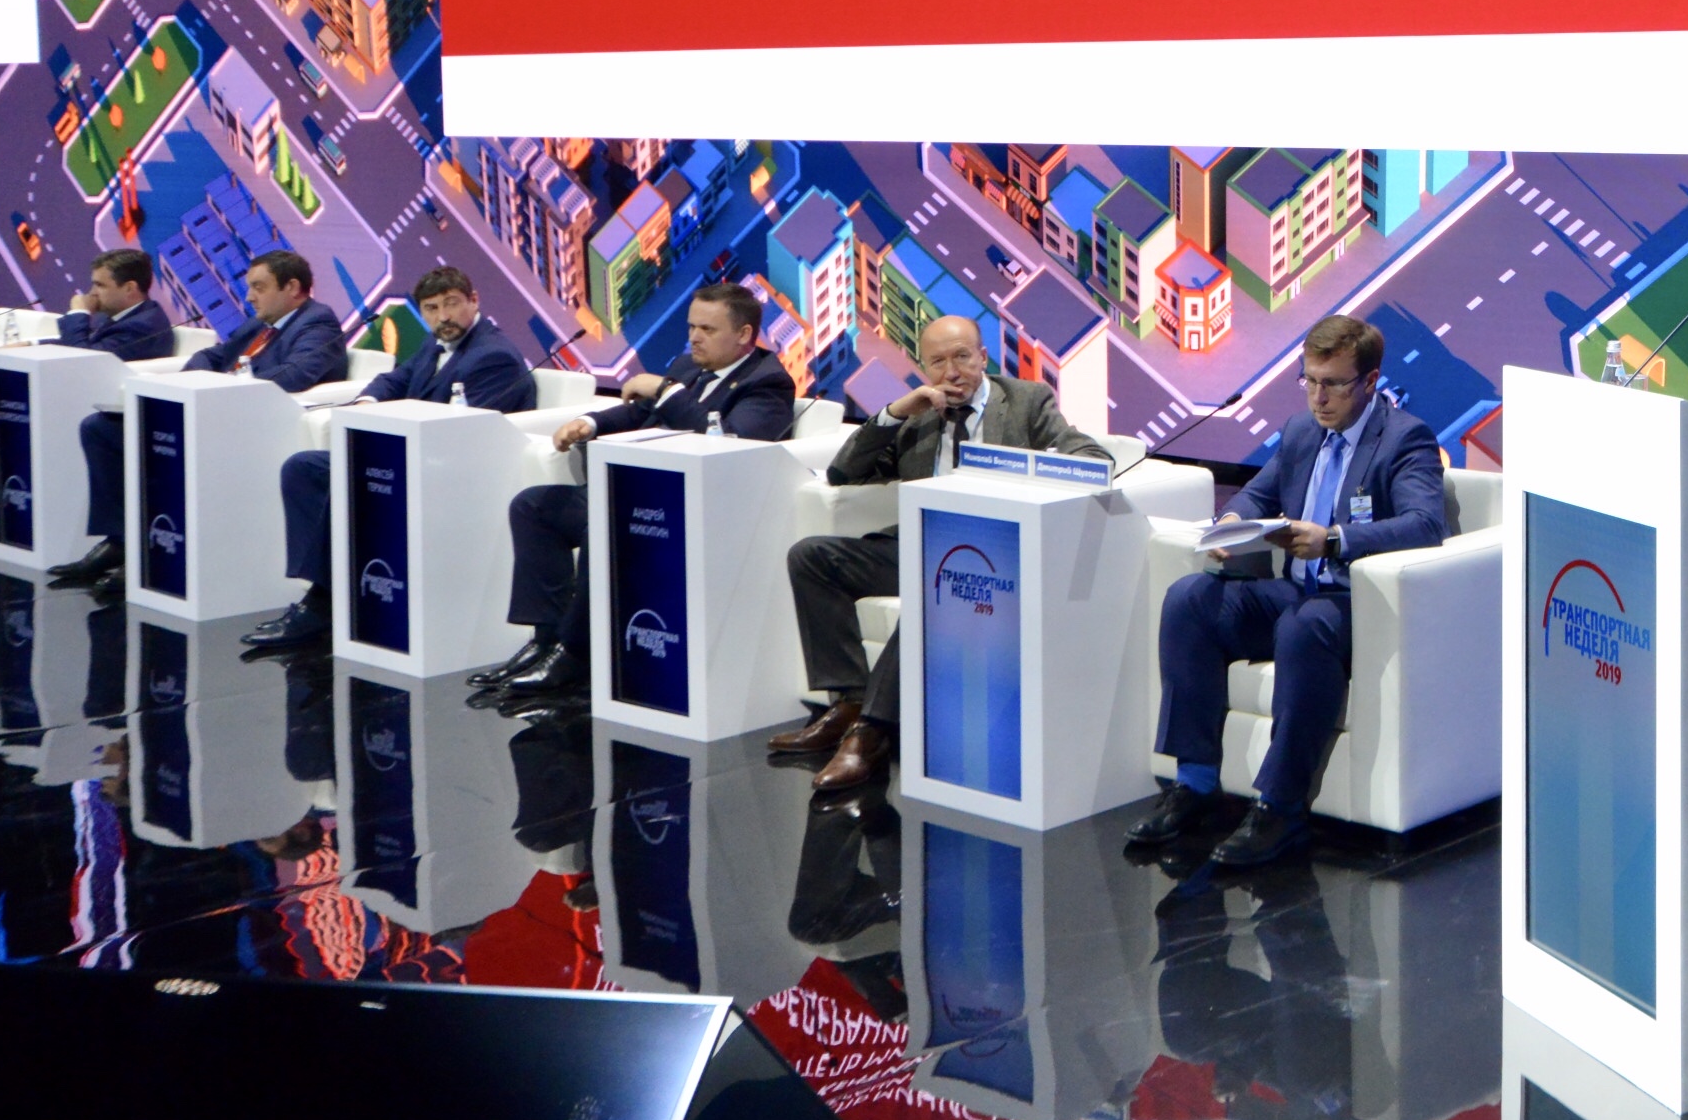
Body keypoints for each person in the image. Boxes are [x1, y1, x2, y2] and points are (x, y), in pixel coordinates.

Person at [1126, 315, 1445, 869]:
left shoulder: (1404, 438)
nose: (1318, 398)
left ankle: (1280, 807)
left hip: (1355, 603)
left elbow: (1424, 524)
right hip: (1294, 593)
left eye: (1333, 384)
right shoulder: (1302, 431)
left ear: (1370, 381)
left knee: (1304, 625)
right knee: (1190, 599)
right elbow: (1256, 494)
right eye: (1309, 381)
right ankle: (1194, 783)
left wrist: (1334, 540)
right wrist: (1230, 523)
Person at [770, 313, 1114, 798]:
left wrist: (1032, 477)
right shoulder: (919, 414)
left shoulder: (1025, 401)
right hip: (917, 546)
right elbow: (844, 473)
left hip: (989, 561)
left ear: (983, 357)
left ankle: (871, 733)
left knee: (933, 591)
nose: (951, 372)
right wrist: (895, 413)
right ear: (924, 367)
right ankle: (847, 701)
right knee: (811, 556)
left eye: (962, 358)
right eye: (937, 362)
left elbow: (1093, 459)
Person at [476, 283, 794, 714]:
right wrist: (590, 422)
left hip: (696, 513)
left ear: (744, 335)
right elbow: (640, 412)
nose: (694, 338)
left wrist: (665, 390)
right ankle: (545, 640)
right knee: (534, 507)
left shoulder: (768, 382)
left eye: (707, 329)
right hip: (638, 496)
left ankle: (575, 653)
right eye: (691, 327)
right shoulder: (688, 366)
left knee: (601, 526)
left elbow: (728, 442)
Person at [242, 267, 533, 655]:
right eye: (432, 308)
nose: (444, 316)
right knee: (304, 467)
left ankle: (321, 604)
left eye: (452, 304)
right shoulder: (437, 342)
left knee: (350, 474)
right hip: (414, 454)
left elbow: (466, 434)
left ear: (474, 300)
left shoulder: (493, 356)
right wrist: (367, 403)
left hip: (459, 470)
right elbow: (395, 379)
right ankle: (327, 585)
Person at [52, 248, 346, 590]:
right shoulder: (260, 322)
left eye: (259, 287)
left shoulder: (319, 324)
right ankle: (121, 539)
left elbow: (294, 375)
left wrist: (220, 388)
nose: (249, 297)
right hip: (211, 411)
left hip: (249, 423)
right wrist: (202, 380)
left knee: (158, 444)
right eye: (249, 288)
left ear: (292, 287)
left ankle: (155, 550)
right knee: (100, 428)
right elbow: (212, 354)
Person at [0, 249, 175, 561]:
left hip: (82, 402)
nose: (91, 293)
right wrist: (30, 344)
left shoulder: (144, 324)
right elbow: (84, 347)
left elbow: (84, 357)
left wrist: (78, 315)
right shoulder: (121, 317)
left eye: (100, 285)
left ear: (130, 288)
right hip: (60, 392)